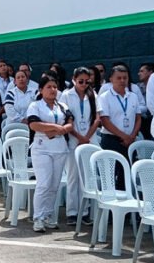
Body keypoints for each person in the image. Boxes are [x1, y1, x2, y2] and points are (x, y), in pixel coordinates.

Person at [28, 75, 74, 232]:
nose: (53, 90)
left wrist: (60, 129)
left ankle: (48, 216)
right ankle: (38, 218)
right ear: (41, 90)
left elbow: (70, 124)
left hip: (60, 147)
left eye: (55, 87)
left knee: (54, 185)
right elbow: (34, 124)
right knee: (44, 183)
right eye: (49, 87)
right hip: (42, 148)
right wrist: (56, 128)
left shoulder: (62, 106)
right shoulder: (35, 106)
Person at [61, 67, 100, 226]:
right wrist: (79, 137)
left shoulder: (93, 94)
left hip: (89, 139)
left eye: (86, 81)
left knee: (87, 177)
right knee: (73, 176)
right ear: (73, 80)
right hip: (73, 139)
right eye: (80, 81)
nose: (84, 84)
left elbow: (97, 118)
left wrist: (87, 136)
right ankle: (72, 212)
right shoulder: (66, 95)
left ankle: (84, 212)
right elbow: (66, 118)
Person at [96, 65, 141, 189]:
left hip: (130, 140)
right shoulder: (104, 97)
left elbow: (138, 118)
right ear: (111, 79)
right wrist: (124, 136)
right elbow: (105, 120)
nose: (122, 81)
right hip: (111, 140)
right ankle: (111, 206)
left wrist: (131, 136)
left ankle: (127, 204)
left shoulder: (133, 96)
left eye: (125, 78)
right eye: (119, 78)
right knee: (111, 174)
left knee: (126, 173)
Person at [138, 62, 154, 140]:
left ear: (151, 72)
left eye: (142, 71)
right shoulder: (137, 87)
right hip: (142, 121)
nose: (139, 73)